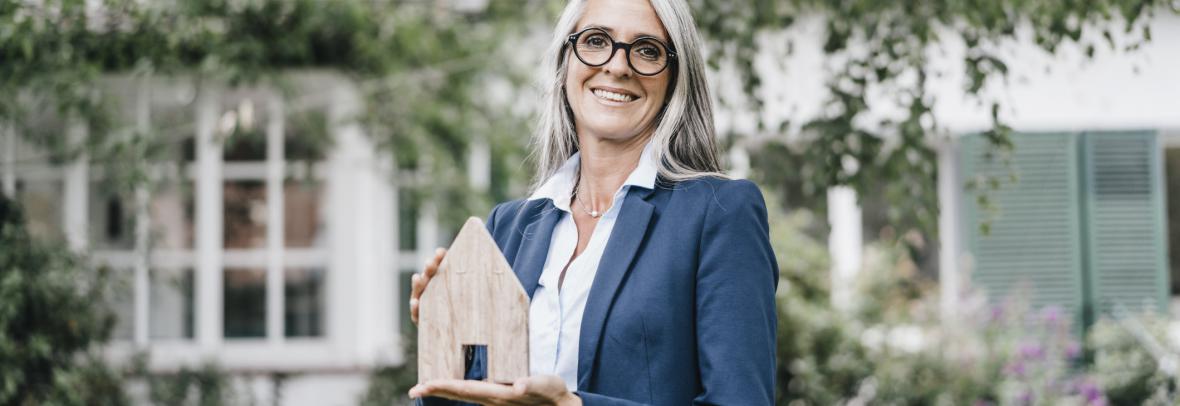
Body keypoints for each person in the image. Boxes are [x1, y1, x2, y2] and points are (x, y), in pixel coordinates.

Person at [408, 0, 778, 404]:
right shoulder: (508, 228)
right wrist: (445, 343)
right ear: (565, 62)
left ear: (675, 79)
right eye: (596, 40)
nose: (618, 66)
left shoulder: (720, 214)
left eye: (647, 50)